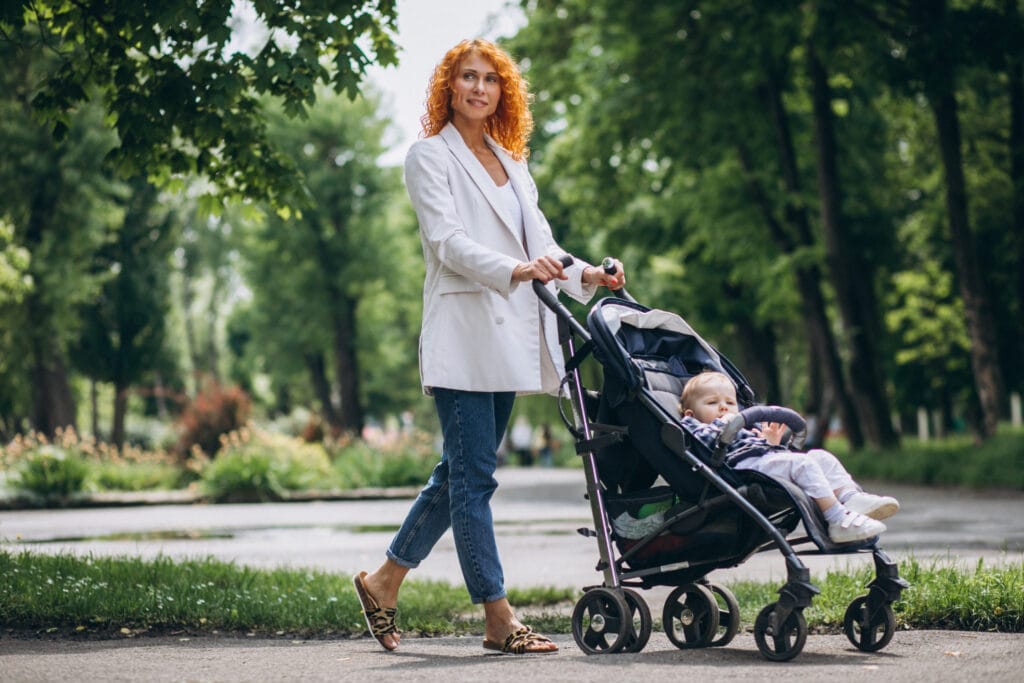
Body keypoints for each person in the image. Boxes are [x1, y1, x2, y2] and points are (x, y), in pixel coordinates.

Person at [353, 38, 625, 656]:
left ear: (504, 92)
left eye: (490, 80)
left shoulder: (513, 163)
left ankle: (383, 582)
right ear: (449, 88)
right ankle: (498, 618)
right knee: (474, 478)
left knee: (458, 473)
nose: (479, 88)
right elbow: (447, 243)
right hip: (462, 336)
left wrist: (588, 277)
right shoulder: (429, 157)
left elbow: (547, 246)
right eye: (467, 78)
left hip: (505, 340)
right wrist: (516, 271)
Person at [678, 371, 899, 544]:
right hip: (742, 470)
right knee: (802, 464)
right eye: (712, 403)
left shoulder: (742, 426)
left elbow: (763, 452)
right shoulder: (694, 427)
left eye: (730, 402)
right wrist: (726, 427)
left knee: (820, 457)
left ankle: (850, 498)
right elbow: (705, 439)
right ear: (690, 413)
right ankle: (837, 519)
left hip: (763, 459)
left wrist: (770, 441)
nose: (724, 406)